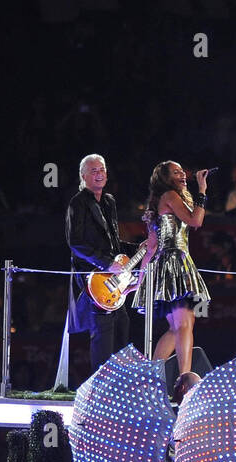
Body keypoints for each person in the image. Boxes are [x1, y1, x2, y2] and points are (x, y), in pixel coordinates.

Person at [134, 161, 213, 377]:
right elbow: (196, 221)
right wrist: (203, 190)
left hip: (172, 264)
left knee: (176, 327)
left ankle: (149, 377)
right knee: (185, 323)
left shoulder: (165, 199)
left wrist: (141, 281)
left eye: (182, 171)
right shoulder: (169, 195)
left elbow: (151, 247)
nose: (182, 175)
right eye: (176, 172)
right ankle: (184, 382)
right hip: (174, 264)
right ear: (166, 178)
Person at [66, 154, 143, 376]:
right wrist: (106, 263)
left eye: (102, 170)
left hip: (113, 277)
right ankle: (100, 385)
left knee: (122, 326)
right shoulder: (77, 203)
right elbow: (76, 243)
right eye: (94, 171)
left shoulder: (109, 201)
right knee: (103, 331)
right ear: (83, 176)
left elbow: (113, 242)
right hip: (93, 277)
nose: (99, 174)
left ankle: (119, 381)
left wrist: (137, 247)